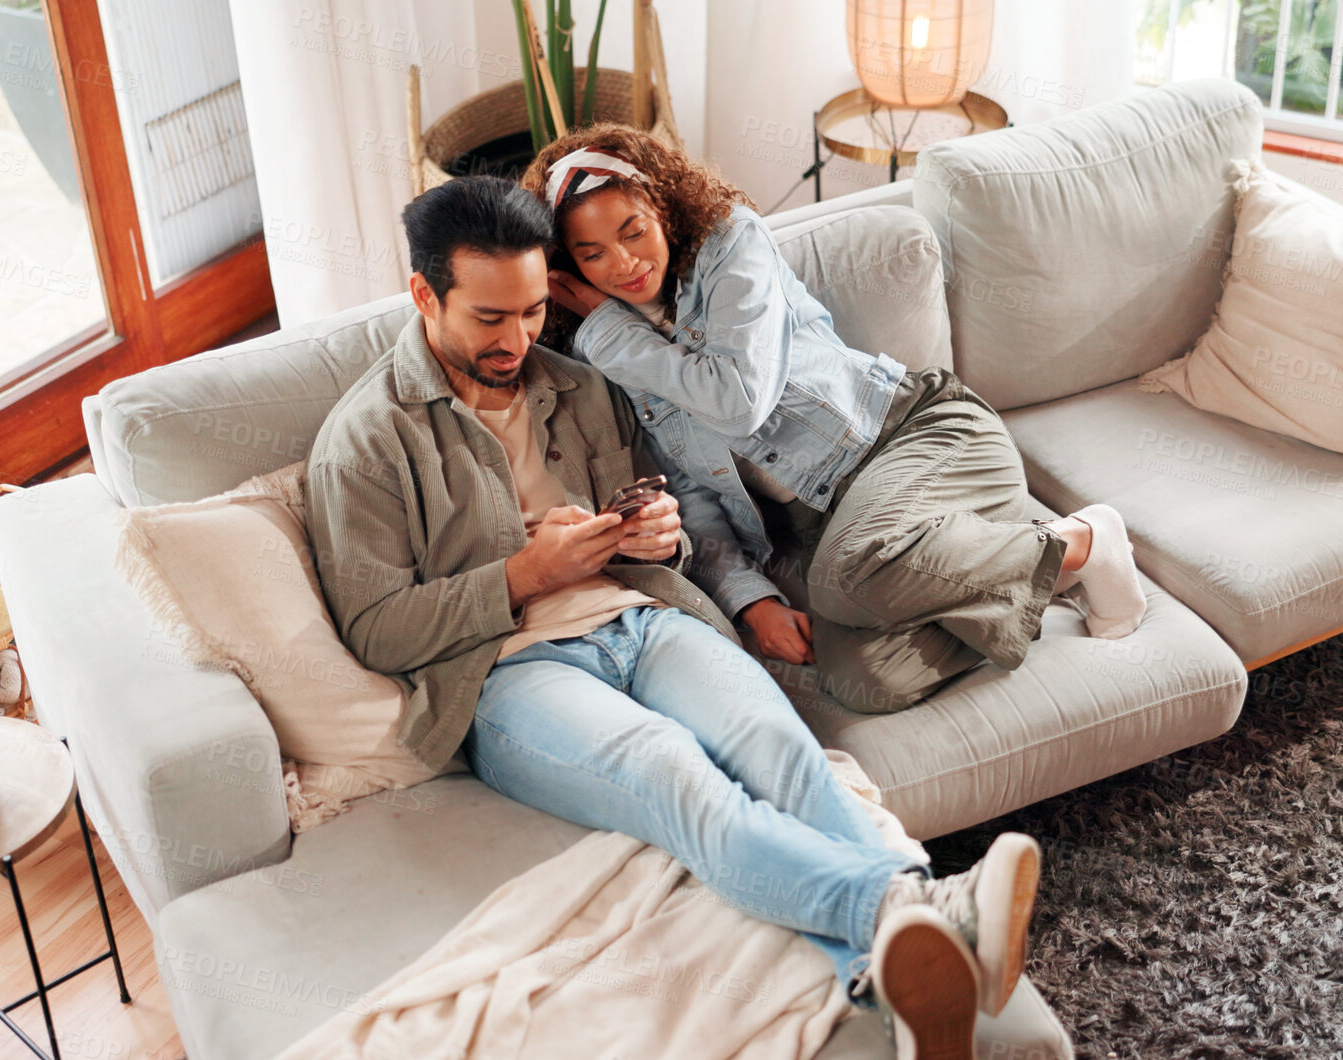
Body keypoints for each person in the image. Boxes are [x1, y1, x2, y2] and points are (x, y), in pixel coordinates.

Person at [303, 175, 1043, 1053]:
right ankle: (917, 906)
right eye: (489, 319)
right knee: (674, 774)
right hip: (510, 670)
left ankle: (895, 976)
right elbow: (376, 629)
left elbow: (672, 525)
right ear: (425, 295)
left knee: (781, 752)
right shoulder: (366, 440)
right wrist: (522, 575)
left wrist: (660, 537)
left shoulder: (579, 386)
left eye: (534, 312)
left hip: (647, 619)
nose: (517, 340)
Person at [522, 129, 1150, 716]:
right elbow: (688, 489)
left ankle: (1083, 541)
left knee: (844, 578)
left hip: (919, 438)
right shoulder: (610, 353)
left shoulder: (728, 245)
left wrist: (609, 330)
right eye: (592, 254)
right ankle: (1016, 560)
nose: (623, 263)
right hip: (838, 521)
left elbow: (739, 401)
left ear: (662, 208)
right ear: (568, 266)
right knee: (867, 678)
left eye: (634, 232)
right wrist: (752, 600)